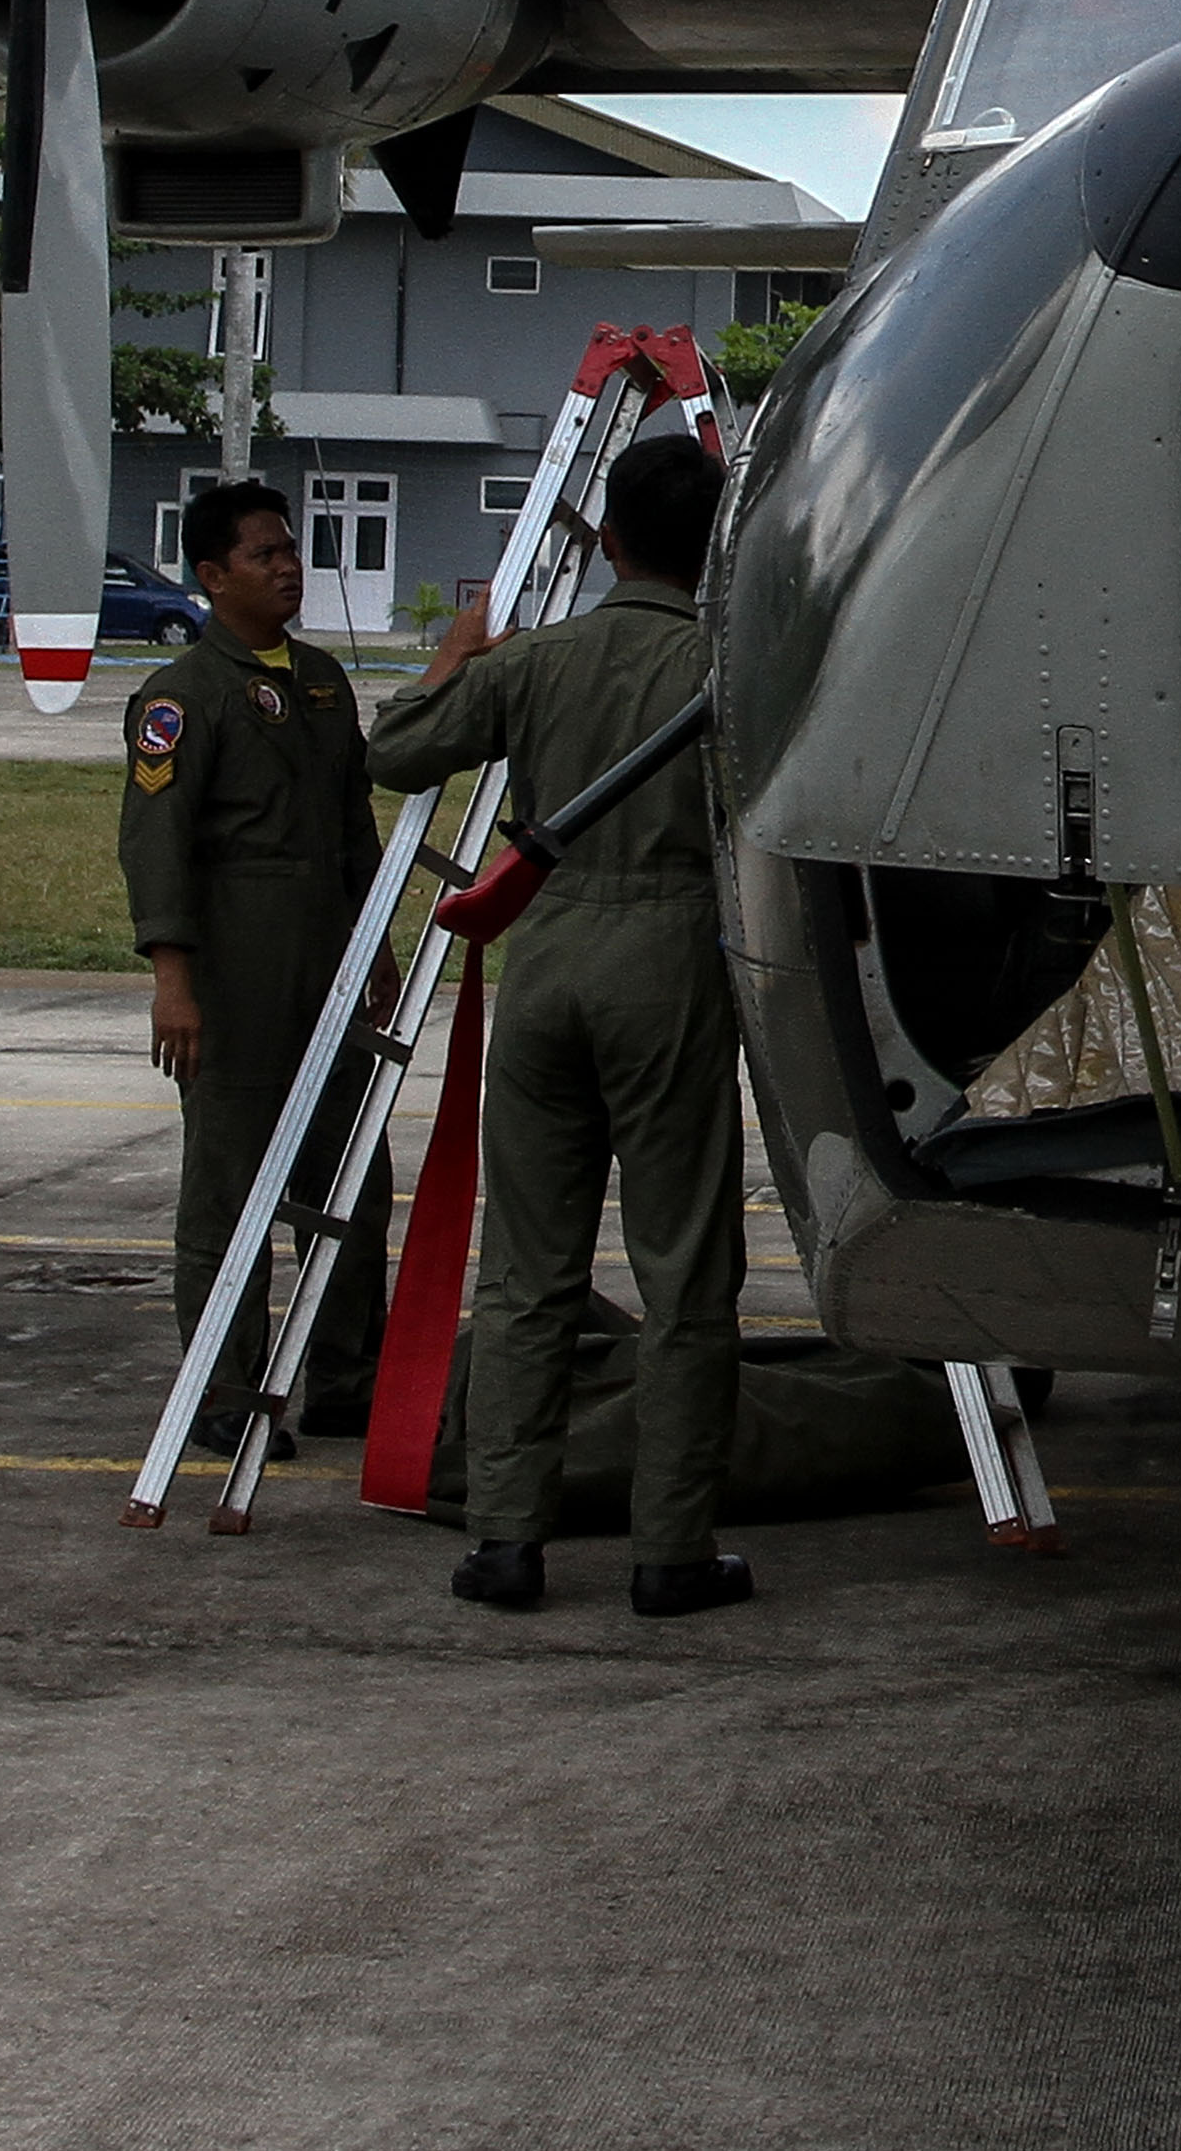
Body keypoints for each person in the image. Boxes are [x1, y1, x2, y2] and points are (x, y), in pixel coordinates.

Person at [371, 433, 750, 1618]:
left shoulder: (540, 660)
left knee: (529, 1270)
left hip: (545, 960)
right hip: (673, 960)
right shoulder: (731, 668)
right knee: (685, 1273)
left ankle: (504, 1540)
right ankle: (669, 1549)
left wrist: (451, 655)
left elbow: (394, 751)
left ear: (608, 539)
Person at [119, 480, 393, 1457]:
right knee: (230, 1193)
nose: (288, 565)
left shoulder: (320, 680)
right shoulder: (180, 698)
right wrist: (173, 981)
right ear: (211, 575)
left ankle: (348, 1375)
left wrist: (379, 942)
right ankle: (226, 1388)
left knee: (353, 1184)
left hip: (328, 967)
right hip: (236, 977)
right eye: (265, 553)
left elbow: (354, 826)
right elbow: (155, 844)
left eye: (291, 549)